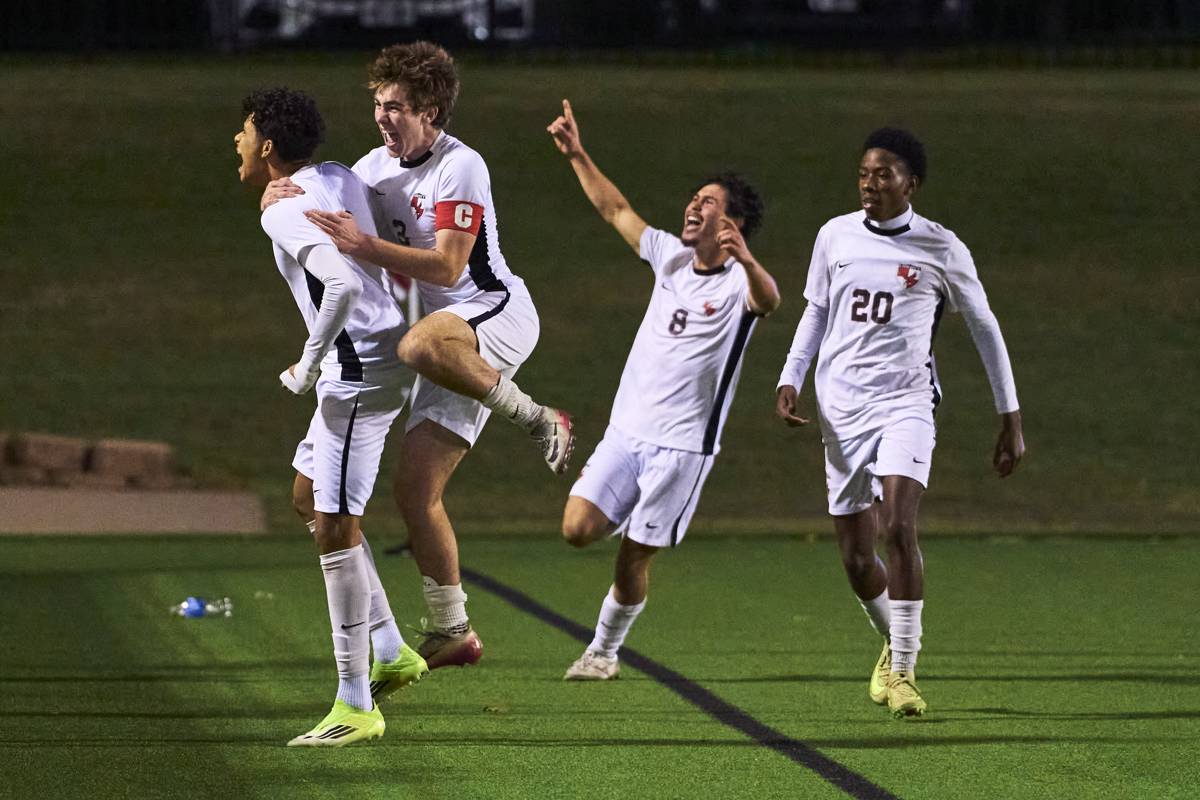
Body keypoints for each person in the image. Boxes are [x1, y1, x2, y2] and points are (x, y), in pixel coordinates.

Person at [265, 42, 575, 670]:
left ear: (431, 110)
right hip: (449, 336)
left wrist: (364, 243)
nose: (383, 116)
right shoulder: (372, 166)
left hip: (495, 313)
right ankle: (452, 629)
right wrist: (283, 192)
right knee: (415, 491)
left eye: (397, 106)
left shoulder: (461, 166)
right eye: (378, 103)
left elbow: (449, 264)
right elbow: (331, 193)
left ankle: (540, 418)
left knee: (417, 342)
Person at [775, 128, 1025, 719]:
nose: (870, 183)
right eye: (864, 172)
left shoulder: (941, 247)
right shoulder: (833, 235)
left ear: (910, 184)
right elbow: (816, 310)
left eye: (883, 174)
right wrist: (790, 376)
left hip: (905, 403)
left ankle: (906, 672)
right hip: (840, 411)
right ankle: (894, 644)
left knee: (898, 525)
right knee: (858, 560)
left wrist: (1009, 415)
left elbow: (984, 327)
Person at [547, 99, 781, 680]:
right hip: (627, 433)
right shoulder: (670, 259)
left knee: (633, 557)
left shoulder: (737, 287)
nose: (693, 207)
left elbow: (770, 301)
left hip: (681, 451)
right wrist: (578, 154)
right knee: (576, 529)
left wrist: (748, 260)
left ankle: (602, 652)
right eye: (695, 199)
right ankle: (615, 595)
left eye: (708, 203)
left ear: (733, 223)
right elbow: (616, 209)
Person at [235, 87, 428, 747]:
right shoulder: (340, 177)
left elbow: (342, 285)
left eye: (242, 133)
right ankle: (393, 648)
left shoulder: (282, 214)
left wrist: (308, 363)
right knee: (307, 501)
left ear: (265, 147)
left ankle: (355, 705)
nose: (234, 143)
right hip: (381, 358)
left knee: (336, 525)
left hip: (356, 376)